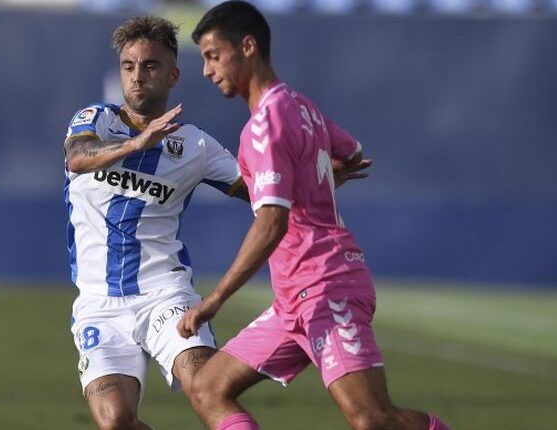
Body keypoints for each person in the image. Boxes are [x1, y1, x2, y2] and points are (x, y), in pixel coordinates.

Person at [177, 2, 451, 430]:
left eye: (213, 56)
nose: (208, 70)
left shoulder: (265, 123)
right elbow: (352, 151)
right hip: (294, 300)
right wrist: (314, 180)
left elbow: (271, 223)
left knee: (374, 421)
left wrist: (212, 302)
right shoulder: (300, 106)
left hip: (326, 287)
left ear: (247, 46)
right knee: (208, 387)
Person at [63, 16, 248, 430]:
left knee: (206, 387)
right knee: (116, 422)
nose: (138, 77)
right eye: (129, 66)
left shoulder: (196, 145)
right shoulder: (94, 120)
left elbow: (261, 190)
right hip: (99, 303)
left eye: (150, 66)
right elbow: (77, 158)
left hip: (165, 294)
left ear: (173, 74)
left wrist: (320, 174)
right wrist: (135, 144)